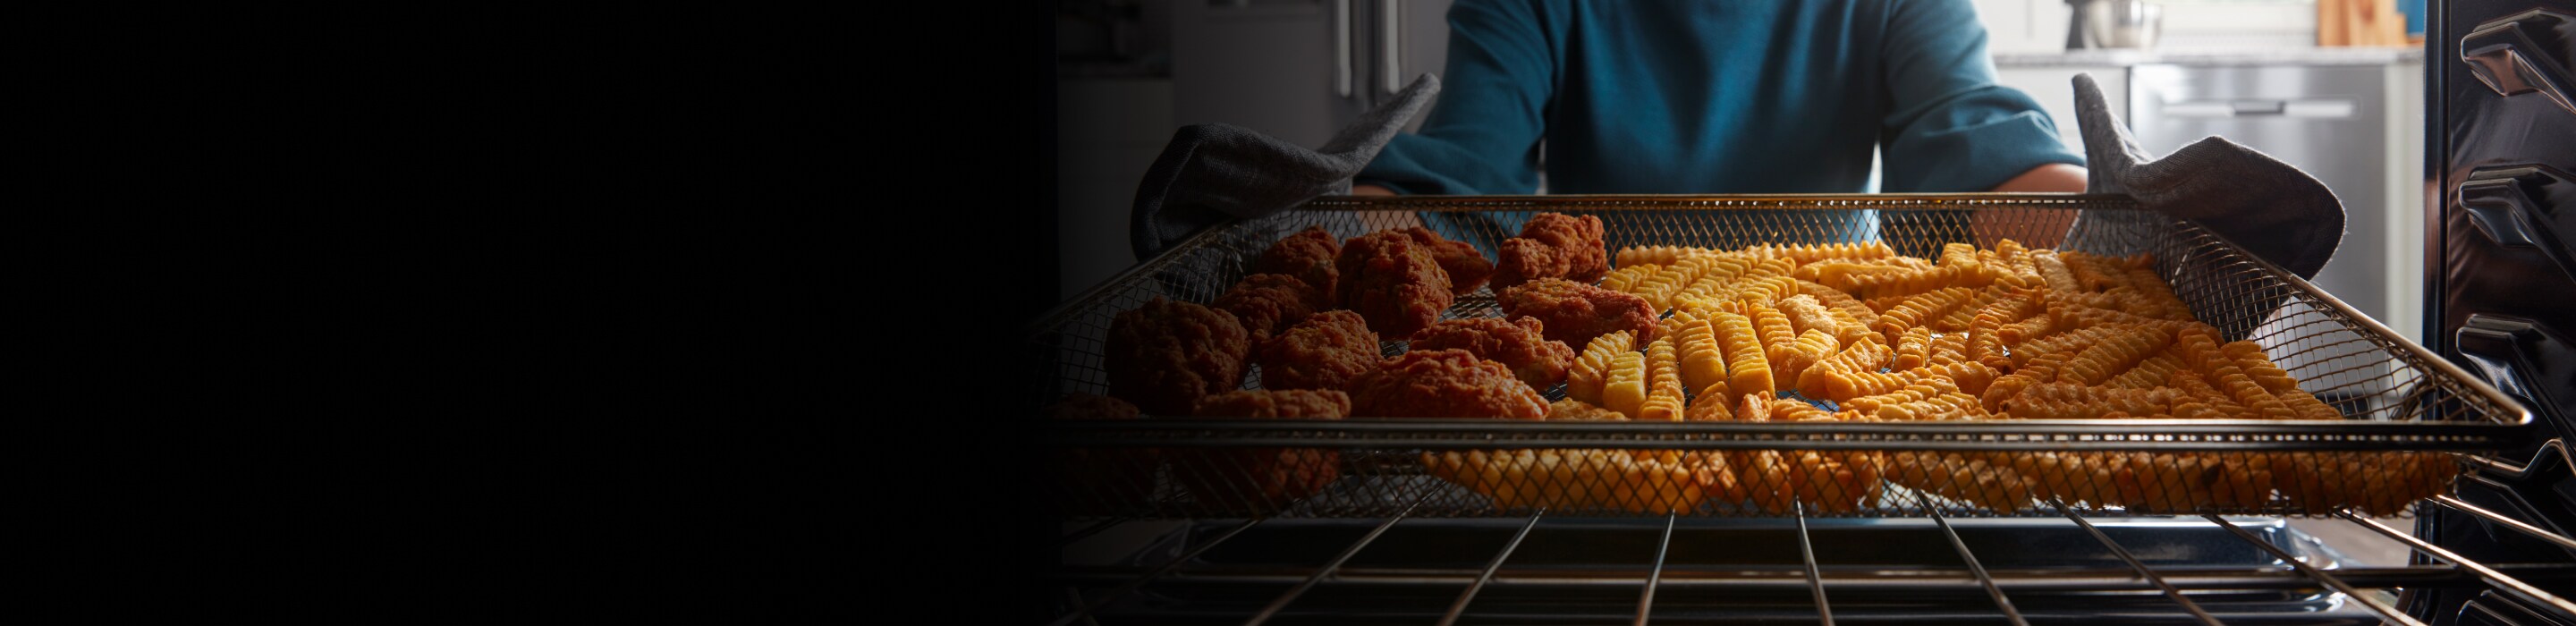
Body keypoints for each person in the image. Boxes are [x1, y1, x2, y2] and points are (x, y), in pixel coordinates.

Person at [1347, 0, 2087, 255]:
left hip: (1831, 374)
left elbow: (1972, 139)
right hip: (1606, 383)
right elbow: (1463, 170)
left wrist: (2123, 218)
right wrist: (1323, 239)